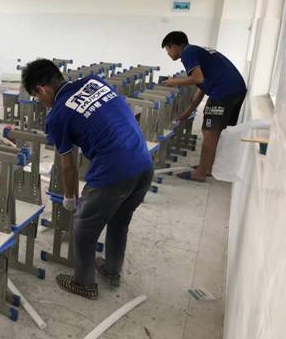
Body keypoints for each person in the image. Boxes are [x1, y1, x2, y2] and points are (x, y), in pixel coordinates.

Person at [21, 59, 153, 300]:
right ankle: (112, 271)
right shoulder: (94, 82)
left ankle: (84, 283)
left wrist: (70, 198)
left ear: (41, 89)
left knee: (83, 225)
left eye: (36, 96)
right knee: (119, 221)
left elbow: (68, 166)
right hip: (143, 163)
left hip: (114, 171)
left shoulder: (57, 116)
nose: (39, 101)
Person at [161, 31, 247, 182]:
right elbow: (202, 86)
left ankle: (200, 173)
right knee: (215, 131)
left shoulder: (188, 53)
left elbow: (197, 78)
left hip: (224, 92)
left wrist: (174, 82)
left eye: (167, 50)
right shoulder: (196, 51)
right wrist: (188, 112)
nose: (168, 54)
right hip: (234, 90)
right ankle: (207, 167)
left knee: (210, 131)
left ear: (173, 46)